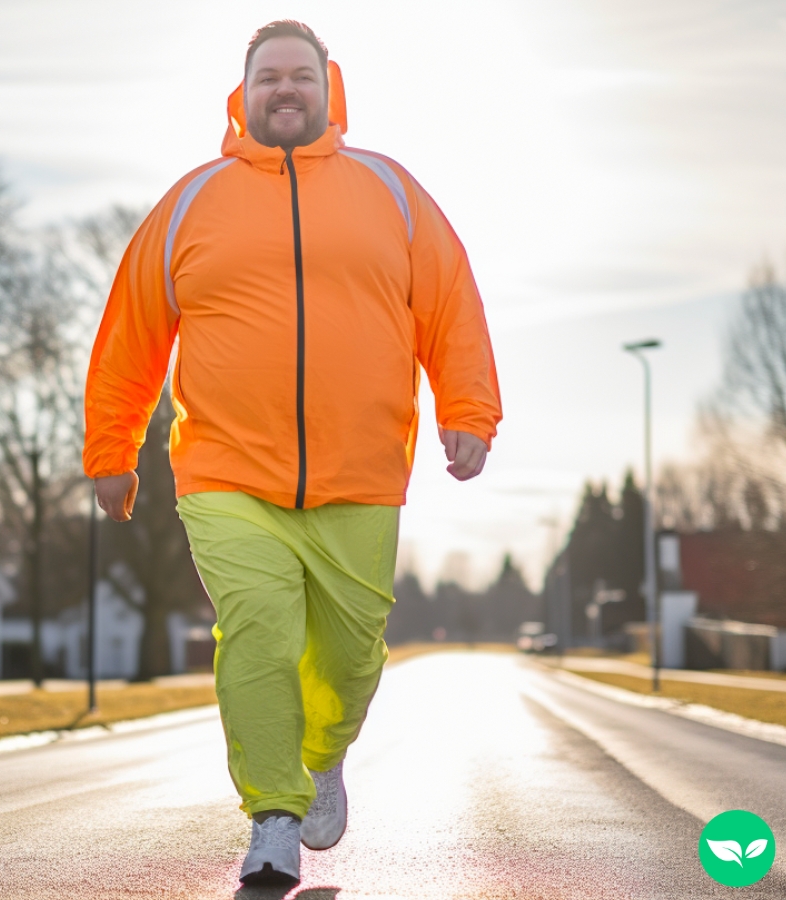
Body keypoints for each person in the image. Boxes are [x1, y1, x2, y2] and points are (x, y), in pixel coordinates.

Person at [83, 19, 502, 886]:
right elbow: (131, 333)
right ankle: (271, 816)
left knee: (351, 657)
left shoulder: (390, 191)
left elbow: (451, 303)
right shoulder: (193, 202)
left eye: (300, 76)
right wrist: (111, 450)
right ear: (243, 94)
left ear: (327, 87)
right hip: (224, 474)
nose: (285, 89)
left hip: (361, 474)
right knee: (259, 637)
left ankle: (322, 759)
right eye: (268, 76)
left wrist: (470, 409)